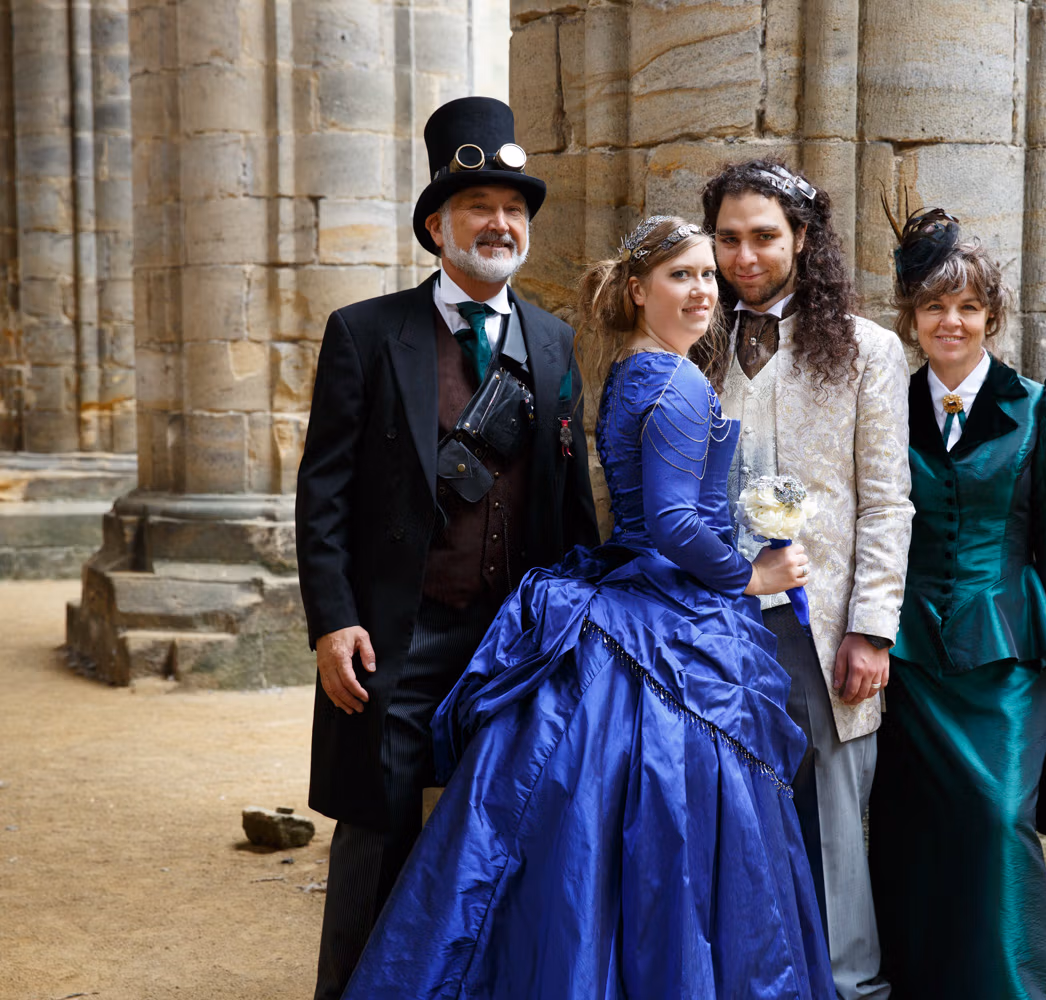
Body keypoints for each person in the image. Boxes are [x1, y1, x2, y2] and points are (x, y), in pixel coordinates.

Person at [340, 215, 837, 999]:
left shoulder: (634, 369)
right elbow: (673, 523)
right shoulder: (676, 382)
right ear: (637, 290)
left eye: (708, 276)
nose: (703, 291)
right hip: (671, 612)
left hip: (629, 591)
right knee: (678, 825)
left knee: (569, 828)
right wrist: (748, 577)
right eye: (681, 275)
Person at [294, 95, 599, 1000]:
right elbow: (323, 493)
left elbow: (569, 502)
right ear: (437, 226)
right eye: (478, 207)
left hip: (512, 637)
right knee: (377, 832)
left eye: (514, 209)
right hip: (397, 632)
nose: (500, 223)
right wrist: (333, 621)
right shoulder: (364, 333)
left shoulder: (554, 342)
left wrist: (579, 619)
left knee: (503, 832)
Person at [697, 158, 913, 1000]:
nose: (744, 256)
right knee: (724, 800)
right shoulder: (695, 343)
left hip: (820, 623)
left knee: (832, 811)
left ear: (802, 239)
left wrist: (871, 628)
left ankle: (849, 985)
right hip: (713, 615)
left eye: (763, 236)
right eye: (727, 239)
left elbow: (887, 501)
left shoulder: (867, 351)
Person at [868, 206, 1046, 1000]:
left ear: (991, 315)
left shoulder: (1041, 406)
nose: (951, 322)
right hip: (908, 659)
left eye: (968, 306)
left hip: (1003, 652)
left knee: (999, 820)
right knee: (913, 830)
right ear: (912, 317)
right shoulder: (886, 405)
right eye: (934, 306)